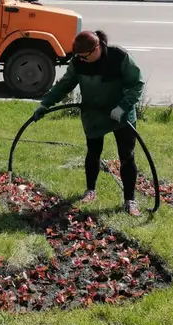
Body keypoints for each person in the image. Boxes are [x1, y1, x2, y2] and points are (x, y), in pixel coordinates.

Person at [33, 30, 145, 215]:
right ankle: (90, 191)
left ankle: (130, 201)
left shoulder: (118, 57)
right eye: (80, 57)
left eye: (86, 56)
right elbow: (64, 85)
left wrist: (122, 106)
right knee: (93, 152)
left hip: (121, 115)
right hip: (94, 114)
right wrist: (45, 104)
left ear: (97, 47)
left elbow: (137, 83)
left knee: (127, 156)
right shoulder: (79, 62)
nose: (82, 60)